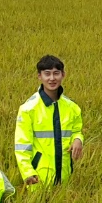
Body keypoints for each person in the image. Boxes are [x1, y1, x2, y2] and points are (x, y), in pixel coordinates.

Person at [14, 55, 84, 191]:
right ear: (39, 76)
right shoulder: (28, 109)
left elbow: (77, 130)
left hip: (65, 176)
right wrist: (27, 172)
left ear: (63, 75)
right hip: (38, 180)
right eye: (47, 74)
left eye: (56, 73)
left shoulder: (72, 107)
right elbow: (22, 146)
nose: (52, 78)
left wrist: (77, 140)